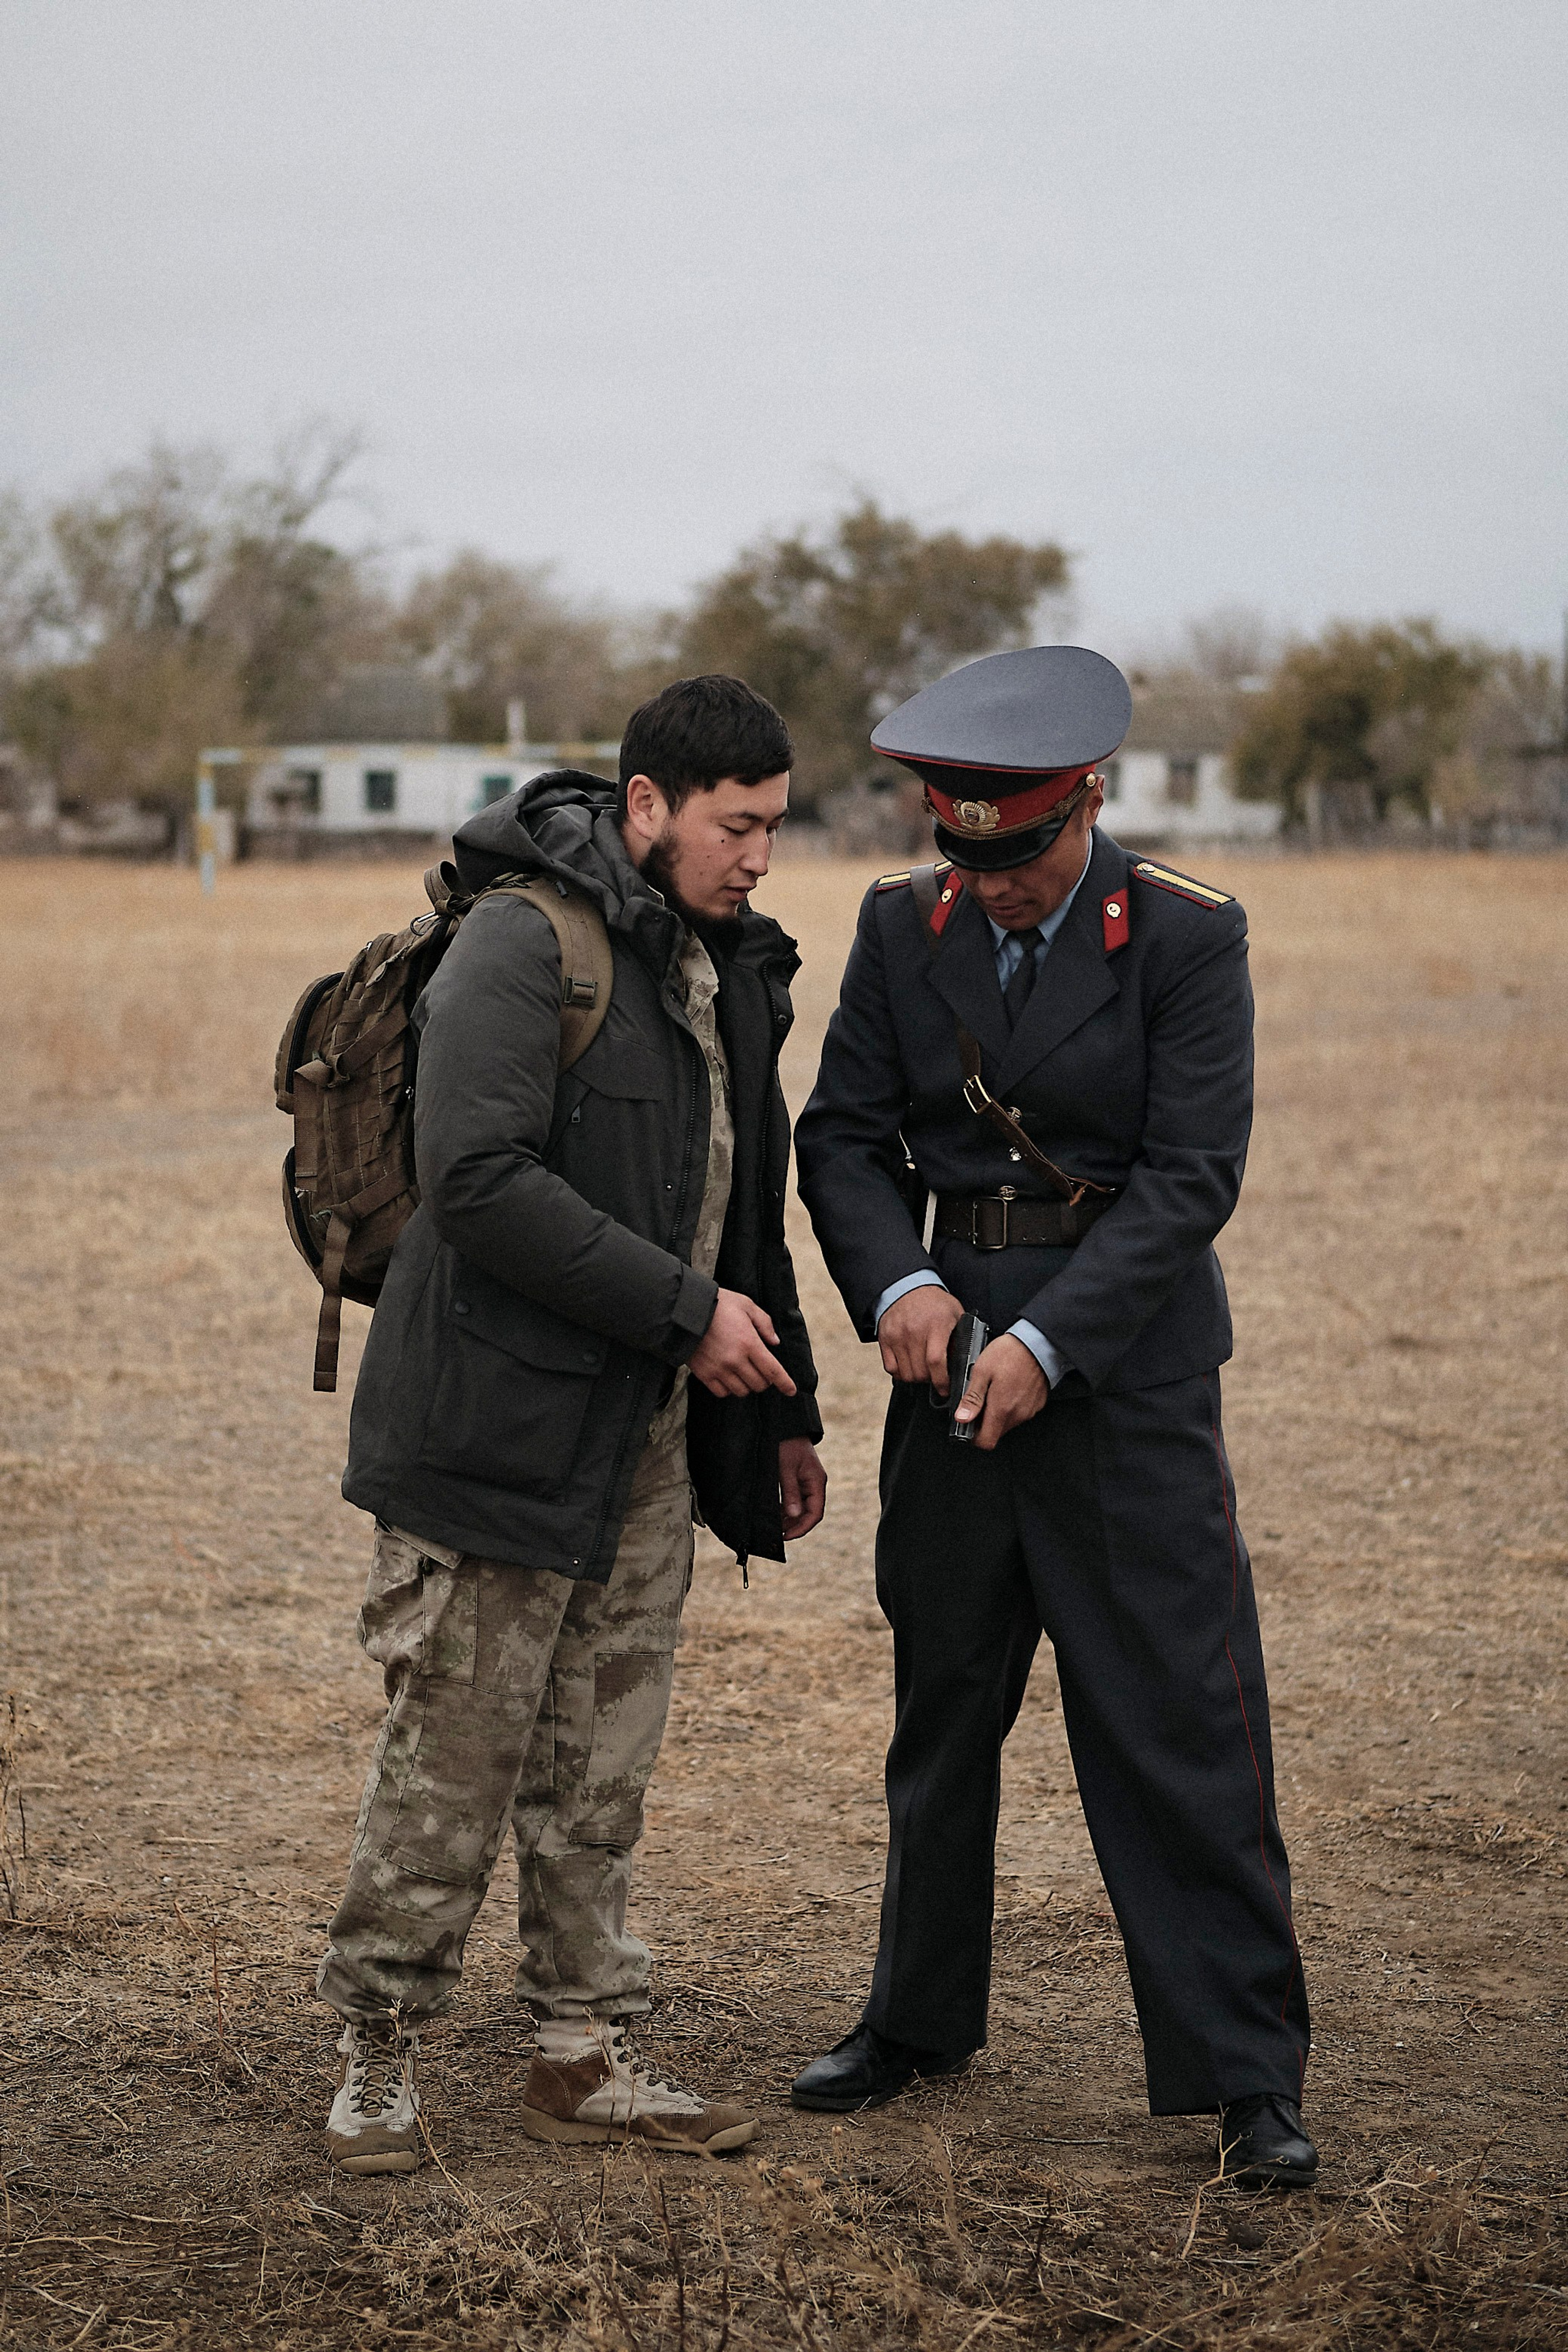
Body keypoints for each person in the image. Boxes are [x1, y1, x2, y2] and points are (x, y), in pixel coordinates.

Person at [790, 644, 1314, 2190]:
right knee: (941, 1707)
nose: (992, 883)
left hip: (1124, 1383)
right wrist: (898, 1290)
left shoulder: (1182, 938)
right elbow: (839, 1138)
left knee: (1175, 1721)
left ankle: (1244, 2075)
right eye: (963, 851)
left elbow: (1187, 1179)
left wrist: (1048, 1339)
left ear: (1083, 803)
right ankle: (914, 2021)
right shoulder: (901, 929)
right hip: (940, 1374)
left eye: (1016, 851)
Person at [318, 674, 827, 2174]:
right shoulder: (519, 941)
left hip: (647, 1440)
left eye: (776, 828)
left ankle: (578, 2049)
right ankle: (375, 2054)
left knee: (600, 1761)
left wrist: (779, 1402)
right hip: (491, 1428)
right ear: (648, 807)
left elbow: (743, 1204)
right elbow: (472, 1181)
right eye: (737, 827)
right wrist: (686, 1318)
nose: (759, 857)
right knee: (453, 1758)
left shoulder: (727, 965)